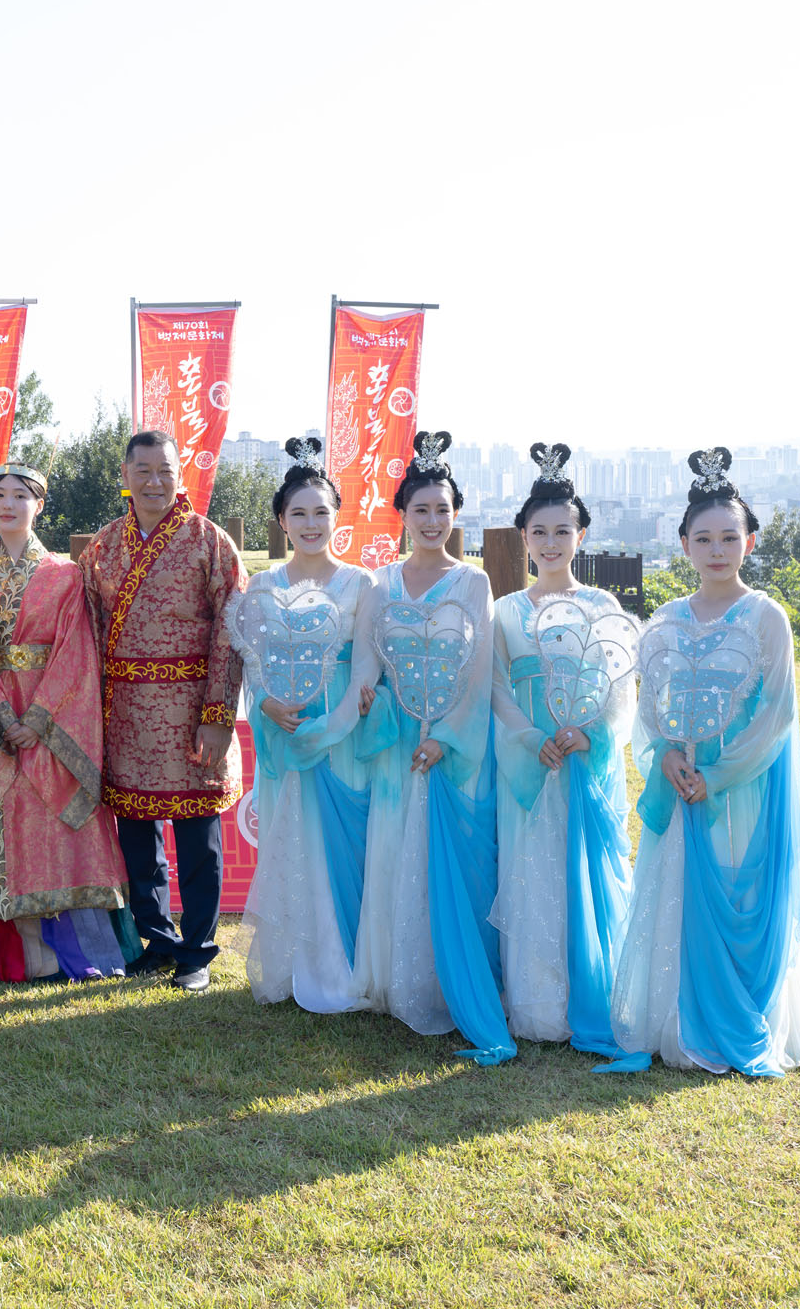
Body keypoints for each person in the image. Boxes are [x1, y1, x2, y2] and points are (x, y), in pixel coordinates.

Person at [603, 448, 800, 1076]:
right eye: (704, 539)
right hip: (680, 784)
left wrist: (718, 775)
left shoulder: (765, 617)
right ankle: (675, 1020)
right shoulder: (665, 620)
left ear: (750, 542)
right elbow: (649, 708)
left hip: (740, 788)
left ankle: (738, 1017)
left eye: (730, 537)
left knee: (737, 890)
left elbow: (776, 715)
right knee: (675, 895)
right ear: (684, 544)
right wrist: (667, 758)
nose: (717, 550)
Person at [348, 430, 512, 1063]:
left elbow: (480, 672)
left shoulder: (472, 584)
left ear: (456, 513)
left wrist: (446, 736)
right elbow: (367, 662)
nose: (433, 520)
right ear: (402, 514)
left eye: (443, 509)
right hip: (398, 745)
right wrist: (367, 698)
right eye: (421, 509)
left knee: (456, 861)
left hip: (453, 747)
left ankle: (448, 981)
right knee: (395, 850)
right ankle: (396, 977)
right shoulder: (379, 584)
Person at [80, 430, 246, 993]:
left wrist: (218, 715)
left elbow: (231, 631)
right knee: (138, 839)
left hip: (192, 714)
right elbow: (88, 632)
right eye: (144, 471)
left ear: (180, 475)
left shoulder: (209, 540)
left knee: (198, 840)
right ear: (124, 476)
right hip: (126, 715)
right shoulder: (103, 546)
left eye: (166, 471)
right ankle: (158, 941)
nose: (155, 482)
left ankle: (197, 952)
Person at [487, 442, 637, 1057]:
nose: (551, 543)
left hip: (583, 764)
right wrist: (530, 738)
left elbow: (622, 690)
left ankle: (594, 995)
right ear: (523, 536)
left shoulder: (603, 607)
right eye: (539, 531)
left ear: (581, 536)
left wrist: (591, 734)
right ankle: (537, 1004)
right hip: (529, 764)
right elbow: (496, 689)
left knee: (584, 873)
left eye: (562, 531)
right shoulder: (504, 612)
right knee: (530, 874)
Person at [228, 439, 382, 1013]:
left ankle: (347, 969)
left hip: (341, 730)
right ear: (282, 521)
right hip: (285, 730)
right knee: (293, 840)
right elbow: (253, 658)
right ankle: (298, 966)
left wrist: (335, 724)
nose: (311, 524)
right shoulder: (263, 586)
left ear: (337, 517)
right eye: (299, 513)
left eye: (321, 512)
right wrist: (266, 703)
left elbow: (366, 663)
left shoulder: (361, 584)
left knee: (347, 845)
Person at [0, 462, 130, 983]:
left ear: (39, 505)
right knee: (2, 819)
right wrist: (0, 712)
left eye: (21, 495)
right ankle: (18, 950)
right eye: (0, 495)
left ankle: (72, 951)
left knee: (54, 825)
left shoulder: (65, 573)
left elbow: (76, 652)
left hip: (53, 713)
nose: (8, 504)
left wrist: (35, 721)